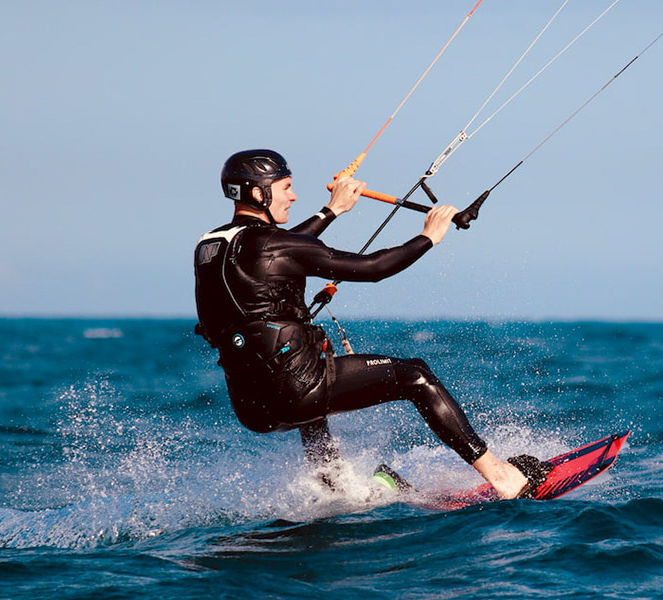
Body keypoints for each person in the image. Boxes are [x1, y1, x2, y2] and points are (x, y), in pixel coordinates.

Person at [193, 149, 549, 499]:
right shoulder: (275, 245)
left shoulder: (212, 245)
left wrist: (331, 210)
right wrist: (429, 236)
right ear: (259, 192)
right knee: (415, 376)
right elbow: (373, 268)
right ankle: (502, 477)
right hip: (300, 389)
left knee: (313, 369)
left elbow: (280, 248)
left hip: (252, 407)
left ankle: (333, 486)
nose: (294, 195)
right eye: (286, 186)